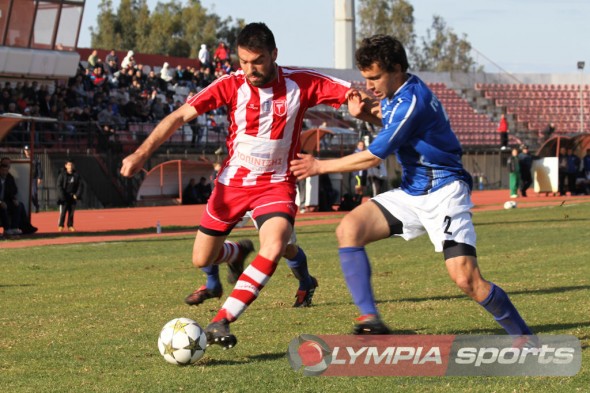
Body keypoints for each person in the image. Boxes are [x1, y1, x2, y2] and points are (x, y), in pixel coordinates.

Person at [120, 22, 351, 349]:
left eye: (256, 61)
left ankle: (223, 319)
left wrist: (365, 107)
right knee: (202, 259)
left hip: (276, 185)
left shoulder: (301, 82)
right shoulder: (231, 84)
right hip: (233, 186)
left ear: (274, 54)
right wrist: (143, 153)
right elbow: (177, 117)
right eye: (243, 62)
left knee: (276, 246)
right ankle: (237, 251)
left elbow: (351, 95)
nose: (249, 69)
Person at [291, 34, 534, 338]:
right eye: (366, 78)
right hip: (412, 192)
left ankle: (525, 339)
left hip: (444, 192)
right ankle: (370, 319)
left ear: (396, 68)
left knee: (467, 279)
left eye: (375, 77)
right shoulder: (398, 93)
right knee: (349, 229)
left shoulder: (412, 99)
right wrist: (365, 113)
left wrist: (318, 166)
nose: (369, 85)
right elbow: (391, 120)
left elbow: (372, 157)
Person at [56, 160, 84, 232]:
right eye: (68, 165)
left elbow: (80, 186)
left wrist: (77, 195)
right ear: (66, 166)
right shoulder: (62, 175)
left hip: (73, 196)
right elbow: (59, 186)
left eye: (71, 165)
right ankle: (61, 226)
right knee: (63, 213)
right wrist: (62, 196)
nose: (70, 166)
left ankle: (70, 226)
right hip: (64, 197)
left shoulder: (76, 175)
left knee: (71, 213)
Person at [23, 145, 43, 212]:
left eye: (28, 150)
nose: (27, 151)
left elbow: (39, 168)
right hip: (25, 178)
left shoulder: (35, 158)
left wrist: (39, 177)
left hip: (34, 178)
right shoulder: (23, 159)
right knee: (27, 194)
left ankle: (36, 205)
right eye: (26, 150)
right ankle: (29, 207)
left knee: (34, 193)